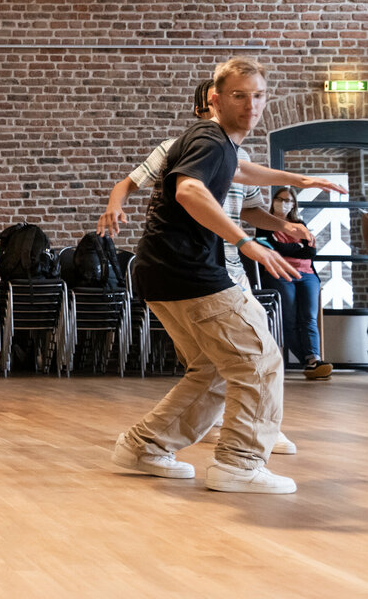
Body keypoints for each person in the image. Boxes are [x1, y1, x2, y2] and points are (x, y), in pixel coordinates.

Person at [99, 79, 344, 454]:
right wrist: (246, 241)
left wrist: (293, 193)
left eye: (258, 97)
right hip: (194, 268)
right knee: (255, 360)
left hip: (206, 266)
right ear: (212, 103)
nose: (253, 106)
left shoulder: (226, 148)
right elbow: (188, 190)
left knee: (218, 363)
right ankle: (241, 457)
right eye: (240, 97)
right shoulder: (204, 140)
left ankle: (147, 446)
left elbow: (244, 176)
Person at [259, 187, 333, 380]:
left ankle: (313, 359)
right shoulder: (264, 224)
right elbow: (270, 247)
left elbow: (310, 252)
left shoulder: (300, 225)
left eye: (288, 200)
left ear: (293, 204)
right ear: (274, 200)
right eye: (280, 199)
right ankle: (310, 362)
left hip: (307, 275)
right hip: (280, 274)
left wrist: (290, 248)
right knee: (288, 319)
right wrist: (297, 246)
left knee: (309, 317)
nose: (284, 203)